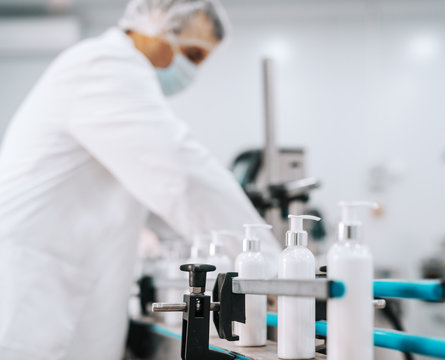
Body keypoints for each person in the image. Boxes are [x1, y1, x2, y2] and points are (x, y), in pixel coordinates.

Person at [0, 1, 280, 359]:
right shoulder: (101, 67)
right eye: (192, 54)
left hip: (63, 289)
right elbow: (182, 176)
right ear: (156, 23)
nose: (189, 71)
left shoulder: (115, 76)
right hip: (36, 296)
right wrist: (270, 265)